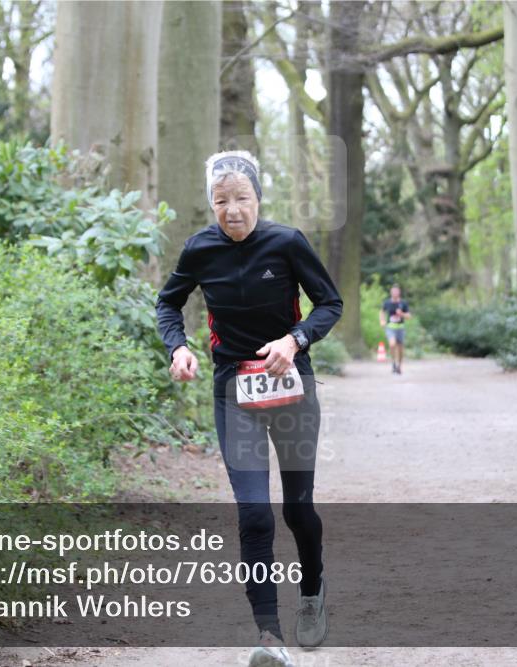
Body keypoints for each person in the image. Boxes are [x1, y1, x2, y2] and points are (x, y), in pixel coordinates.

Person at [156, 150, 342, 667]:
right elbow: (168, 303)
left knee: (296, 509)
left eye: (241, 198)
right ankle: (269, 637)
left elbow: (330, 303)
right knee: (254, 513)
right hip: (232, 393)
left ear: (258, 198)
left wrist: (296, 339)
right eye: (221, 201)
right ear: (211, 204)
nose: (231, 209)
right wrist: (178, 346)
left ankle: (311, 591)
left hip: (292, 389)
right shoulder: (200, 250)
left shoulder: (287, 243)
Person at [379, 284, 411, 374]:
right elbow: (382, 312)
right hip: (390, 327)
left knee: (400, 349)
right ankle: (393, 362)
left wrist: (402, 314)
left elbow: (409, 316)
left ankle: (399, 366)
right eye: (393, 291)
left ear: (399, 292)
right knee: (392, 344)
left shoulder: (403, 303)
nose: (395, 293)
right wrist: (382, 321)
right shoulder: (387, 302)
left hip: (400, 328)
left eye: (396, 291)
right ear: (391, 292)